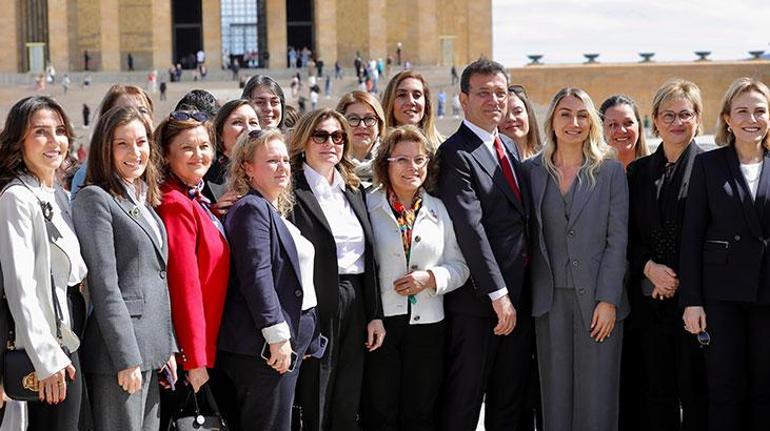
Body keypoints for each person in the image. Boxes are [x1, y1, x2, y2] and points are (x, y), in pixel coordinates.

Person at [436, 58, 533, 431]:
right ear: (463, 98)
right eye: (484, 93)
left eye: (501, 92)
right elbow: (470, 228)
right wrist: (498, 293)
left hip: (519, 297)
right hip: (481, 303)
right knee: (465, 401)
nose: (494, 100)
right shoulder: (455, 153)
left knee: (508, 400)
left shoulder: (507, 144)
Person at [525, 87, 629, 431]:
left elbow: (618, 241)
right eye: (566, 114)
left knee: (597, 399)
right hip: (549, 300)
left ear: (592, 123)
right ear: (552, 121)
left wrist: (608, 299)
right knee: (554, 399)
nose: (574, 122)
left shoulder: (611, 172)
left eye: (582, 115)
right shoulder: (531, 173)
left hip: (598, 301)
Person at [72, 105, 177, 431]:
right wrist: (126, 356)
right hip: (119, 354)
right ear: (105, 148)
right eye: (123, 144)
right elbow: (105, 285)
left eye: (142, 142)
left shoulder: (140, 199)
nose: (136, 152)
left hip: (151, 349)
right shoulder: (95, 198)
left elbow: (154, 278)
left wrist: (167, 344)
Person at [362, 125, 469, 430]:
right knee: (380, 410)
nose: (413, 168)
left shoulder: (439, 209)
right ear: (386, 163)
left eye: (419, 160)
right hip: (380, 326)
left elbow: (460, 265)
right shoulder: (368, 205)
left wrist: (431, 277)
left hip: (428, 326)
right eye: (403, 160)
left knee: (420, 411)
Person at [217, 129, 325, 430]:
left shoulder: (271, 209)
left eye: (284, 160)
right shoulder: (252, 209)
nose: (282, 167)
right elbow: (257, 276)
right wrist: (277, 337)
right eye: (271, 161)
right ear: (248, 168)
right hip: (264, 351)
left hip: (286, 343)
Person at [680, 77, 770, 431]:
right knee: (724, 386)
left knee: (766, 387)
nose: (752, 118)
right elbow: (692, 235)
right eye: (743, 111)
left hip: (768, 293)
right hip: (720, 296)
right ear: (727, 119)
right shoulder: (708, 165)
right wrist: (692, 300)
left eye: (760, 111)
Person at [290, 109, 385, 431]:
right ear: (304, 140)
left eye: (337, 136)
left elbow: (368, 256)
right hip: (315, 305)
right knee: (316, 397)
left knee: (347, 396)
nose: (330, 142)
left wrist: (374, 313)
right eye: (321, 135)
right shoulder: (290, 189)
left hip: (355, 300)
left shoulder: (353, 188)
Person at [0, 96, 87, 430]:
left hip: (69, 334)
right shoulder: (17, 199)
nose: (55, 141)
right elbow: (20, 288)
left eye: (60, 131)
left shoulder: (57, 194)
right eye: (41, 132)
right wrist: (47, 359)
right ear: (19, 141)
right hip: (48, 346)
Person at [625, 79, 708, 431]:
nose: (677, 122)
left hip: (695, 304)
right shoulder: (638, 171)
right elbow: (626, 233)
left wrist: (674, 280)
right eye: (669, 115)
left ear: (697, 118)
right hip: (648, 303)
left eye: (685, 114)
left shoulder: (712, 167)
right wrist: (650, 269)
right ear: (655, 120)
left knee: (697, 395)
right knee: (655, 395)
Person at [154, 112, 233, 424]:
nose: (199, 154)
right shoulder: (174, 203)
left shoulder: (195, 199)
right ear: (167, 154)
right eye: (187, 148)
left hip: (210, 343)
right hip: (194, 356)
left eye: (204, 146)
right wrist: (194, 360)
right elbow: (184, 287)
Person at [70, 84, 155, 196]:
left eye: (142, 110)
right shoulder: (88, 177)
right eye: (124, 110)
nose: (135, 115)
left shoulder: (157, 169)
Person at [205, 99, 261, 208]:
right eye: (237, 122)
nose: (248, 129)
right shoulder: (204, 176)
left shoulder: (270, 169)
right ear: (220, 134)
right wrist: (213, 213)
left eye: (253, 123)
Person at [381, 70, 444, 150]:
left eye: (417, 95)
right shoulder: (374, 152)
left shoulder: (444, 151)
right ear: (390, 101)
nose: (411, 101)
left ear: (426, 103)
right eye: (402, 95)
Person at [336, 90, 387, 186]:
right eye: (353, 119)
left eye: (369, 119)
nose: (362, 126)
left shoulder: (393, 163)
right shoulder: (328, 165)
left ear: (379, 126)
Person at [600, 95, 650, 169]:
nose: (622, 130)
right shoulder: (591, 176)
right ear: (602, 129)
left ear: (639, 126)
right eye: (613, 124)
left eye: (628, 123)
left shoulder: (658, 173)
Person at [499, 84, 543, 161]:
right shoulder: (493, 162)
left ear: (528, 115)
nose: (511, 118)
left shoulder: (548, 160)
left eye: (517, 111)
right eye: (504, 113)